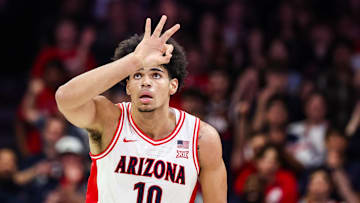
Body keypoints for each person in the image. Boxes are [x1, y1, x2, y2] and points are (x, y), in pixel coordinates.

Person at [55, 16, 227, 203]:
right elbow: (65, 98)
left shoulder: (202, 138)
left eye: (156, 74)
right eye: (137, 75)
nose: (146, 82)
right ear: (128, 87)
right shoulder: (109, 119)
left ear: (173, 86)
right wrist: (135, 60)